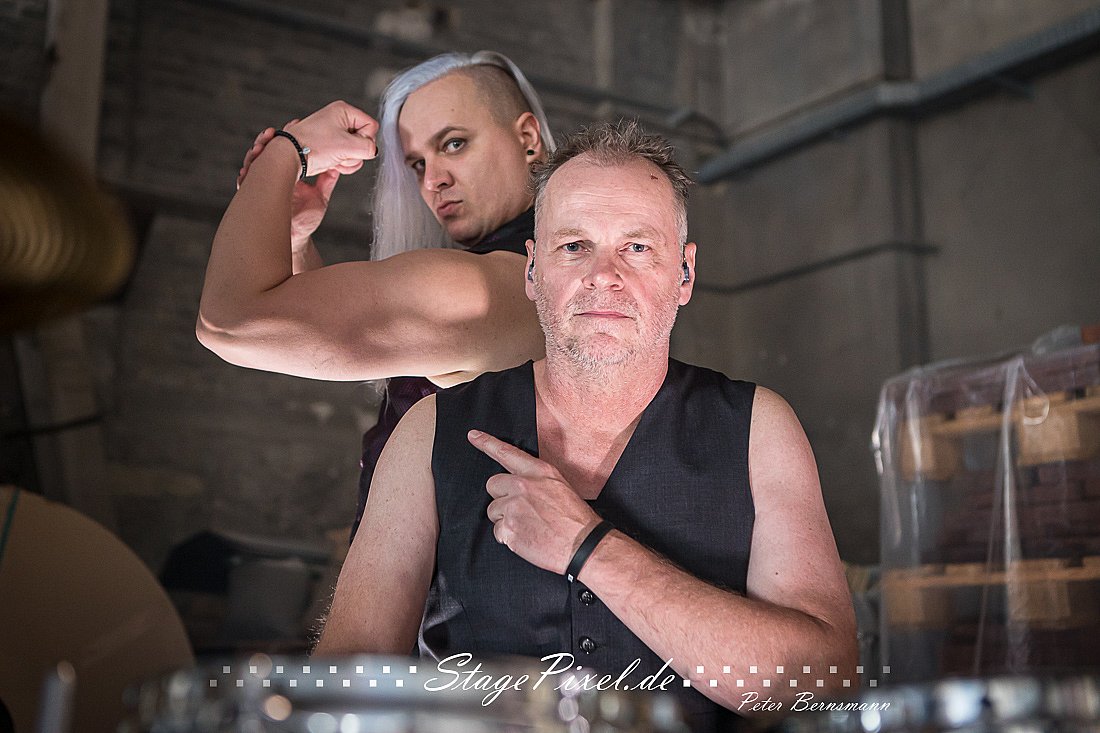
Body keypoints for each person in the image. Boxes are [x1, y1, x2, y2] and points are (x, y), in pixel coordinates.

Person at [313, 120, 858, 731]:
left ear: (684, 274)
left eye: (637, 247)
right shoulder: (429, 433)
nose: (604, 275)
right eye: (574, 246)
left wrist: (588, 548)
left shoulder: (758, 429)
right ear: (531, 270)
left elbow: (821, 685)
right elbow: (343, 688)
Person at [196, 52, 553, 534]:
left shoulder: (491, 290)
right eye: (417, 163)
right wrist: (295, 238)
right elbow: (311, 326)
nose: (433, 180)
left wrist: (288, 151)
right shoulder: (508, 277)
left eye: (454, 143)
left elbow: (229, 321)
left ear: (527, 138)